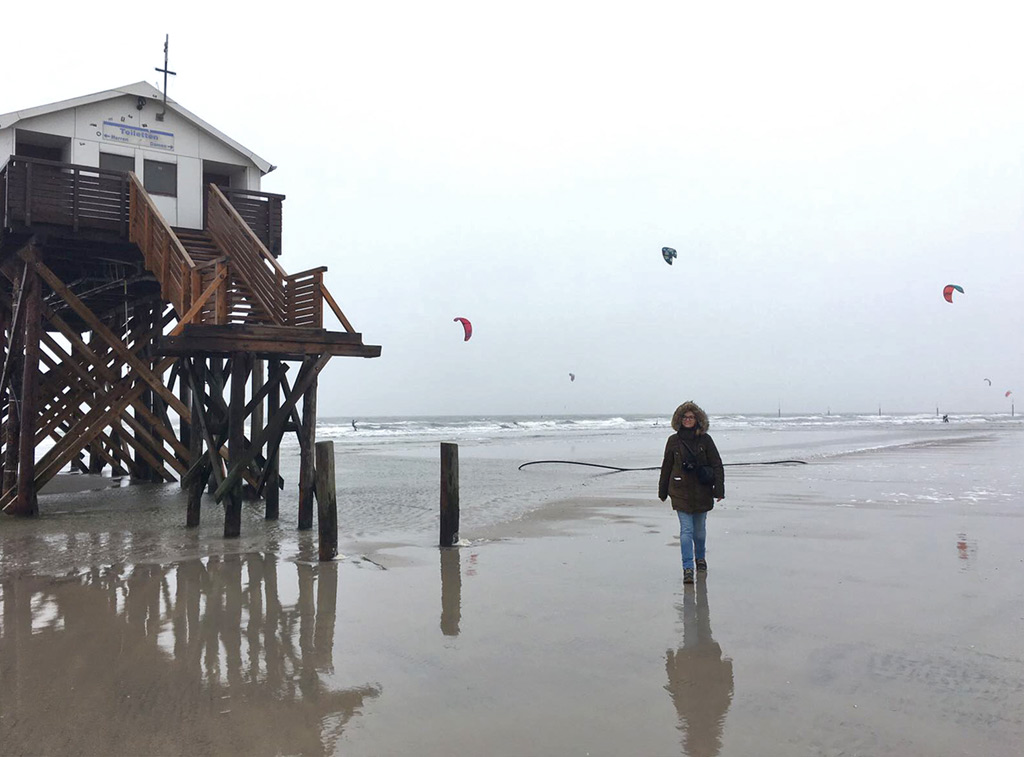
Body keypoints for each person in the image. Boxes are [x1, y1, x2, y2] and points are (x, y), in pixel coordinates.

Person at [658, 401, 725, 584]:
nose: (688, 420)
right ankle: (687, 568)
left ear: (697, 419)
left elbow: (717, 464)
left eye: (691, 417)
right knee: (686, 531)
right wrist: (662, 491)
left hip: (702, 490)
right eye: (685, 417)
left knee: (699, 532)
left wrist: (719, 489)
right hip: (680, 491)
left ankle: (700, 558)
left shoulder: (706, 440)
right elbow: (667, 466)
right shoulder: (673, 441)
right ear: (679, 419)